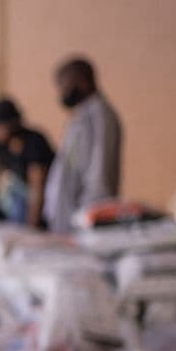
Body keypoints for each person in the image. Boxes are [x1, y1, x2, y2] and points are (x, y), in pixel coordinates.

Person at [43, 57, 123, 233]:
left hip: (86, 218)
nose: (61, 92)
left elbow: (100, 171)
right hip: (67, 218)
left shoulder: (102, 117)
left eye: (64, 84)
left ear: (82, 81)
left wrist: (90, 216)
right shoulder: (80, 116)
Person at [0, 98, 55, 227]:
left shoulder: (34, 142)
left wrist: (31, 228)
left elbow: (38, 188)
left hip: (47, 205)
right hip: (18, 202)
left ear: (12, 124)